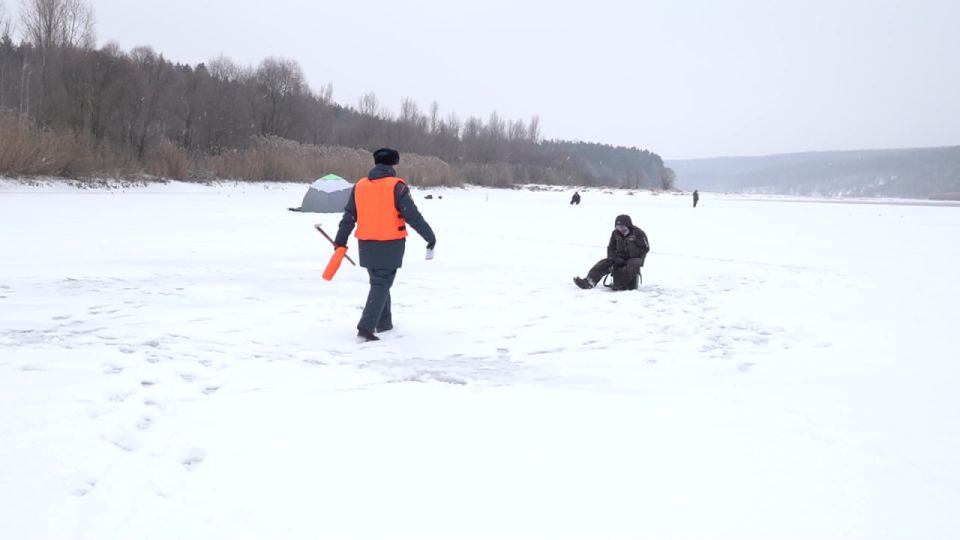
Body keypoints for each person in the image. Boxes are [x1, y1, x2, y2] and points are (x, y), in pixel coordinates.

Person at [334, 148, 436, 342]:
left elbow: (349, 216)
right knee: (381, 283)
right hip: (390, 244)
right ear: (393, 164)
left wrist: (340, 240)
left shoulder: (360, 186)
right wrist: (430, 237)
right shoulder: (397, 187)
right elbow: (413, 216)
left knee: (379, 281)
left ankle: (384, 323)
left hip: (366, 244)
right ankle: (366, 326)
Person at [573, 214, 649, 291]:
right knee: (603, 263)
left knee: (633, 265)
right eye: (618, 227)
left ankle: (619, 284)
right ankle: (589, 282)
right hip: (619, 257)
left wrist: (636, 258)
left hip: (634, 258)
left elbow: (645, 248)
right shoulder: (615, 233)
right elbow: (611, 247)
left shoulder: (638, 233)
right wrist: (613, 258)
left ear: (628, 226)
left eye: (623, 227)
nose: (621, 230)